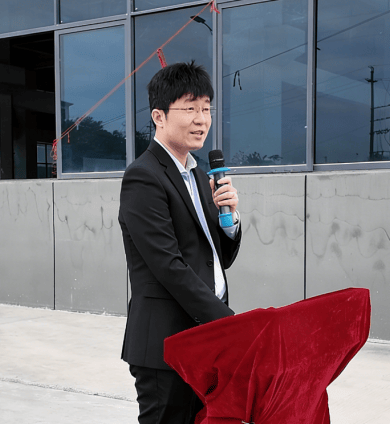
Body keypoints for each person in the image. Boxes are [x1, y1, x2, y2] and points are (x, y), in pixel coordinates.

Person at [118, 61, 242, 424]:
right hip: (166, 344)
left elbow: (216, 258)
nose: (201, 120)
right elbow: (168, 266)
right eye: (190, 109)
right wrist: (228, 324)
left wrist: (230, 220)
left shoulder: (200, 175)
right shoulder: (143, 176)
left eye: (206, 109)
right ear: (159, 116)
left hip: (203, 339)